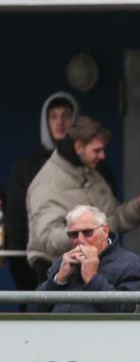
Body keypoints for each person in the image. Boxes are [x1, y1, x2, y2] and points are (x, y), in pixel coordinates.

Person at [25, 116, 140, 283]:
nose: (103, 156)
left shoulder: (92, 174)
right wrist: (84, 233)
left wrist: (138, 209)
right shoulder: (47, 184)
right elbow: (48, 239)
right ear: (78, 147)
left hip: (94, 267)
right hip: (58, 274)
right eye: (97, 150)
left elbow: (111, 219)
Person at [6, 93, 117, 294]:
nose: (59, 122)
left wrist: (138, 209)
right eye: (53, 116)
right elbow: (17, 224)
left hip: (93, 263)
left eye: (66, 115)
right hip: (42, 267)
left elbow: (110, 216)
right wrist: (21, 271)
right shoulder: (28, 168)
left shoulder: (96, 169)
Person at [32, 205, 140, 313]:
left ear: (105, 231)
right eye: (74, 234)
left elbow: (128, 311)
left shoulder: (130, 265)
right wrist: (58, 280)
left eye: (87, 232)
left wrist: (93, 278)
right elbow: (33, 310)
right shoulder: (61, 263)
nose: (80, 240)